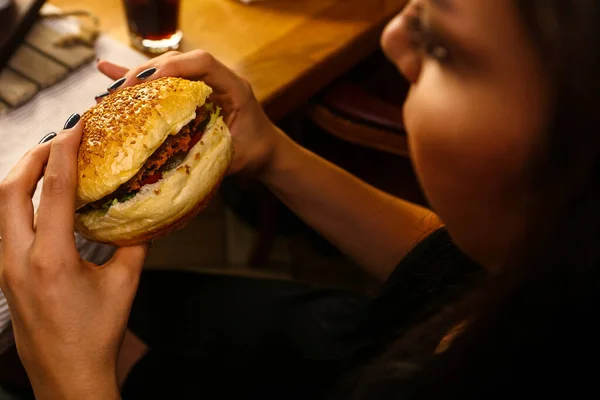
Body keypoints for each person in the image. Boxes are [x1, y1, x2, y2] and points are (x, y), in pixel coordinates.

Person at [1, 0, 599, 399]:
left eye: (441, 46)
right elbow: (455, 269)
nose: (393, 38)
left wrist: (69, 379)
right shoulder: (541, 265)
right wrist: (275, 155)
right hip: (362, 335)